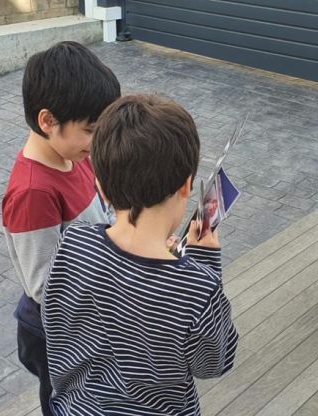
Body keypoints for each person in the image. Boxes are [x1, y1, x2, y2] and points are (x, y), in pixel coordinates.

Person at [42, 95, 238, 415]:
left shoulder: (72, 244)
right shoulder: (197, 287)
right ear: (186, 186)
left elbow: (58, 323)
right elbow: (214, 362)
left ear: (101, 187)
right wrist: (203, 264)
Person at [1, 41, 120, 415]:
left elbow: (100, 210)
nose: (96, 141)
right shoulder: (33, 192)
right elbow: (44, 286)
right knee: (67, 404)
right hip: (55, 335)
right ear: (48, 121)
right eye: (90, 130)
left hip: (88, 317)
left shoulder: (74, 154)